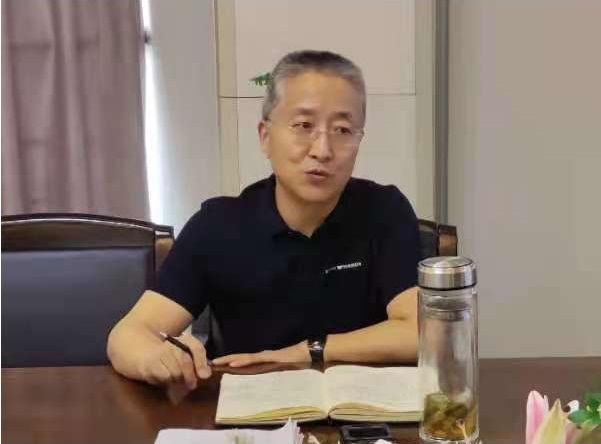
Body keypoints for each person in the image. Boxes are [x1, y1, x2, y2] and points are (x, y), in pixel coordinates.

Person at [107, 50, 420, 393]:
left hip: (361, 407)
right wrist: (154, 358)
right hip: (251, 407)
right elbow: (128, 334)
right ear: (265, 136)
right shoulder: (219, 225)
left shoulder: (385, 211)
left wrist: (308, 351)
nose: (322, 149)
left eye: (343, 130)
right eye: (303, 126)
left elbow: (420, 331)